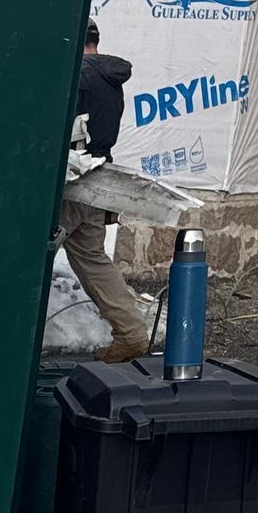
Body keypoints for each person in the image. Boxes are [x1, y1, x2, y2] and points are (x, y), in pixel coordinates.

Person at [60, 22, 150, 362]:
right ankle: (131, 334)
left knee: (25, 254)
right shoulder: (110, 78)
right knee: (92, 258)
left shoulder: (77, 75)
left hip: (71, 183)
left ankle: (5, 337)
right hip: (99, 180)